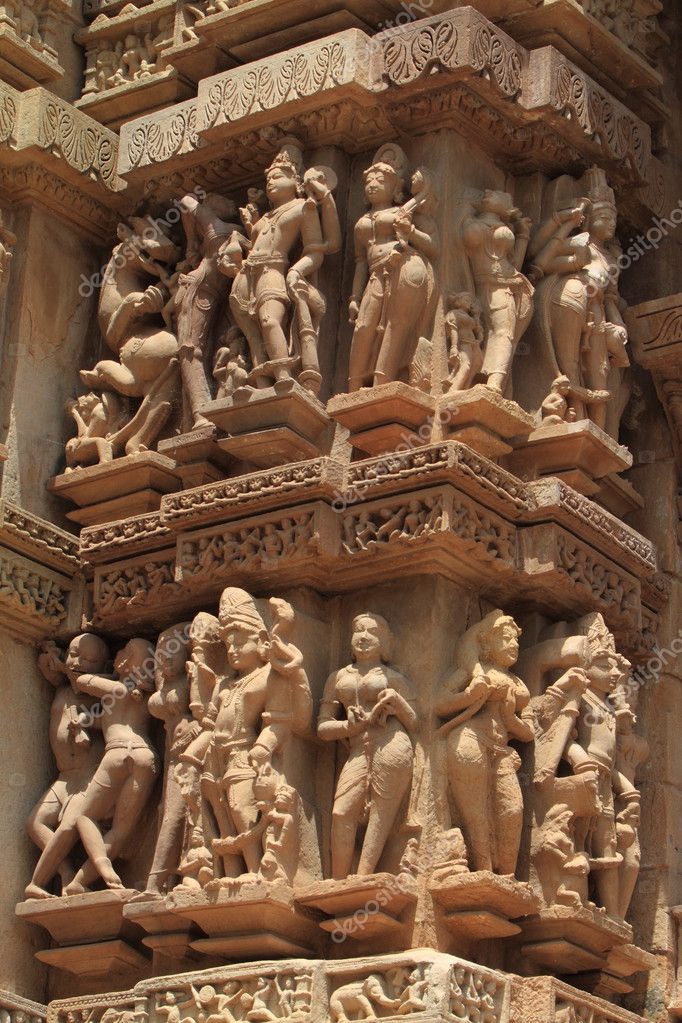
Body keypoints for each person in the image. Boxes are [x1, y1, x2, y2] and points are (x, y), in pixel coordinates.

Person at [25, 638, 159, 897]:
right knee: (120, 831)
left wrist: (64, 668)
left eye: (123, 650)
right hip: (147, 757)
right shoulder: (141, 692)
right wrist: (85, 721)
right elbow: (103, 718)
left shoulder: (112, 688)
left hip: (116, 754)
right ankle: (80, 880)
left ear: (122, 662)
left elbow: (81, 681)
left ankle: (101, 867)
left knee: (84, 818)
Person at [318, 613, 417, 879]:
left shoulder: (392, 677)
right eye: (358, 631)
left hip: (391, 742)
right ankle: (338, 881)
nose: (363, 637)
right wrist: (347, 727)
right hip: (358, 748)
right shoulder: (338, 677)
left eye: (372, 632)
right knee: (341, 812)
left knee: (380, 814)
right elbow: (323, 727)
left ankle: (362, 877)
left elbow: (415, 721)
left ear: (385, 642)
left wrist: (397, 701)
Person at [435, 611, 534, 876]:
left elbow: (528, 733)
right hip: (469, 739)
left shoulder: (519, 684)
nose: (513, 645)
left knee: (512, 809)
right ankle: (483, 871)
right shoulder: (472, 670)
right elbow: (440, 703)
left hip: (501, 749)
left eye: (516, 640)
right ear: (487, 644)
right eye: (506, 638)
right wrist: (470, 695)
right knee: (475, 811)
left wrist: (509, 718)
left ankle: (507, 875)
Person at [348, 146, 438, 391]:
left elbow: (434, 246)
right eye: (369, 180)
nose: (373, 184)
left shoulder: (404, 212)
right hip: (376, 273)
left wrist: (411, 231)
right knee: (364, 326)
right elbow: (360, 261)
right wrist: (354, 297)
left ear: (396, 187)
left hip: (405, 266)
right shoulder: (361, 222)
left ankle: (382, 381)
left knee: (396, 325)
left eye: (381, 180)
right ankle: (354, 385)